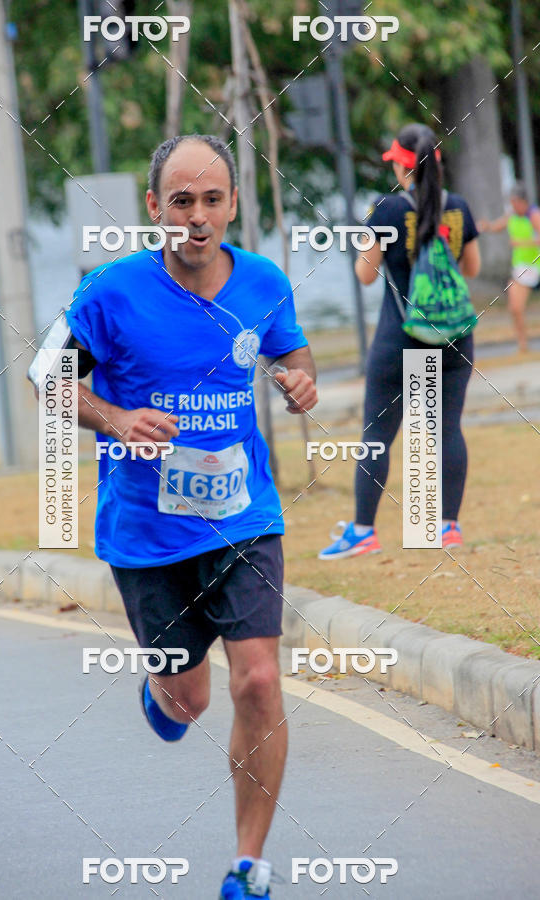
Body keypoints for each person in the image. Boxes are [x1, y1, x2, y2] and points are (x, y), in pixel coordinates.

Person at [64, 135, 317, 898]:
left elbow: (294, 356)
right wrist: (113, 418)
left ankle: (249, 867)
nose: (197, 218)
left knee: (259, 681)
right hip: (145, 531)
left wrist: (299, 384)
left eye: (212, 200)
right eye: (181, 202)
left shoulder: (264, 282)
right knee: (188, 698)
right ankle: (163, 686)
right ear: (154, 209)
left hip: (243, 517)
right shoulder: (108, 292)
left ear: (233, 204)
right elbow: (51, 385)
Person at [319, 123, 481, 561]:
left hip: (401, 339)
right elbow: (472, 267)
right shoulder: (459, 207)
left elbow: (365, 274)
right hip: (453, 338)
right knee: (447, 429)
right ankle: (447, 527)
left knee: (377, 435)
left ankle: (363, 531)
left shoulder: (386, 208)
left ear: (402, 166)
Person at [477, 181, 540, 353]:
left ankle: (523, 344)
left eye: (514, 202)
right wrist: (486, 226)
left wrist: (522, 243)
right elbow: (498, 226)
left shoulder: (533, 215)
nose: (512, 206)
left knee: (516, 306)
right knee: (514, 308)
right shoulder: (512, 215)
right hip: (520, 267)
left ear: (522, 201)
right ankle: (523, 344)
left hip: (533, 266)